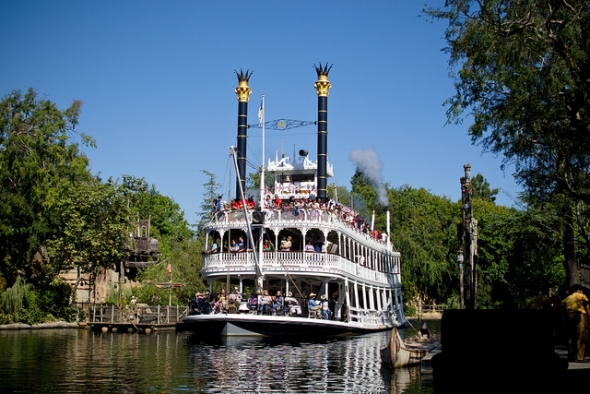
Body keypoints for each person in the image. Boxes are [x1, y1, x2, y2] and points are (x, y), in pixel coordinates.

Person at [562, 285, 590, 362]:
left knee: (571, 336)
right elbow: (587, 307)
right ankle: (580, 357)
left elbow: (562, 307)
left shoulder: (568, 298)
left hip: (568, 315)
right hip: (579, 315)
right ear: (578, 290)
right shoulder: (582, 296)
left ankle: (571, 356)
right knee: (581, 336)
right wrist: (589, 317)